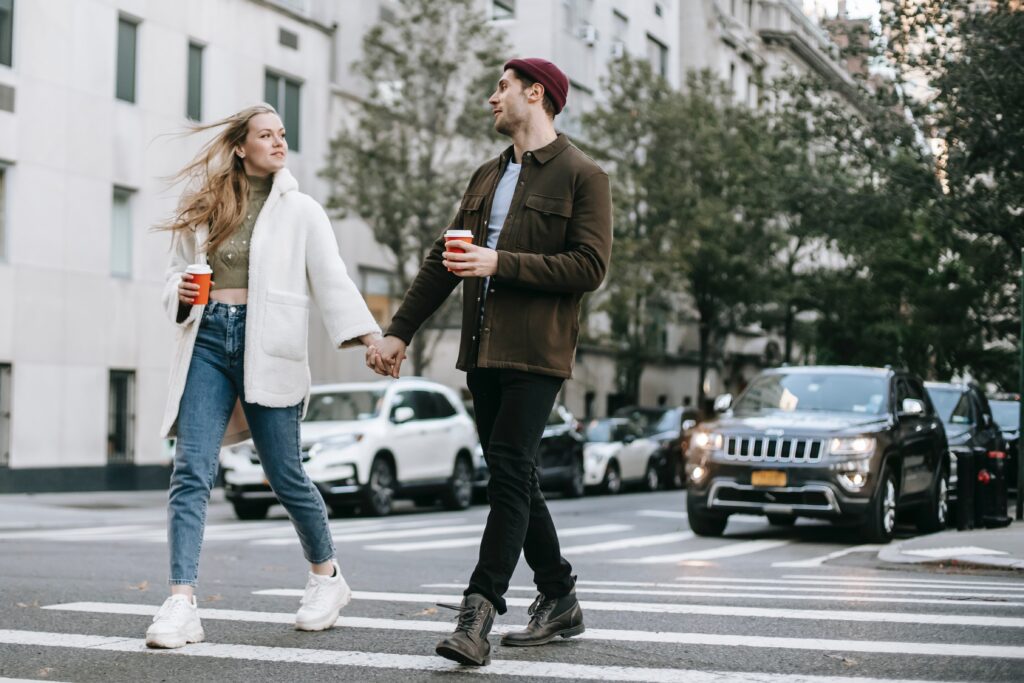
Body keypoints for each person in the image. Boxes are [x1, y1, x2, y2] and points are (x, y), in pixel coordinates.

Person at [369, 58, 612, 666]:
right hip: (481, 351)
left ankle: (478, 613)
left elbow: (590, 268)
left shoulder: (584, 175)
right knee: (517, 477)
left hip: (537, 354)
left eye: (501, 87)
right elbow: (442, 259)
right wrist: (399, 332)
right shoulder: (486, 175)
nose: (491, 97)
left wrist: (500, 263)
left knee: (507, 474)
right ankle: (559, 596)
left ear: (537, 95)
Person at [149, 104, 386, 649]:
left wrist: (371, 339)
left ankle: (327, 576)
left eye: (282, 134)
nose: (279, 143)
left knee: (285, 474)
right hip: (206, 339)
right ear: (241, 146)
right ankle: (181, 601)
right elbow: (174, 276)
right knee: (191, 471)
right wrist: (181, 293)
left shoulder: (302, 210)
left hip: (268, 344)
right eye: (266, 135)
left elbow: (332, 280)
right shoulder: (205, 207)